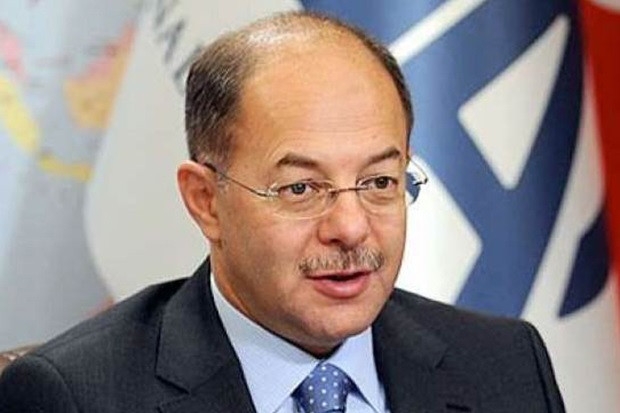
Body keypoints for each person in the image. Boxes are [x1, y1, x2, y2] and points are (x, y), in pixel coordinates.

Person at [0, 11, 565, 413]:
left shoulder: (506, 366)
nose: (351, 228)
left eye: (378, 182)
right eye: (301, 189)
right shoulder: (76, 396)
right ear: (205, 201)